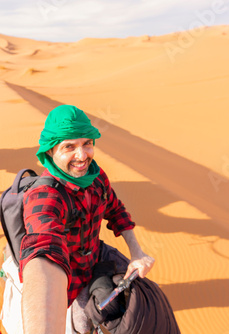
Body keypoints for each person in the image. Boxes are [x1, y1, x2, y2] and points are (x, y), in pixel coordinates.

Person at [20, 105, 156, 333]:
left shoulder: (95, 176)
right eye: (69, 147)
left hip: (96, 255)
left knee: (148, 298)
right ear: (51, 151)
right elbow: (44, 250)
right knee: (81, 327)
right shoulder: (45, 196)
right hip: (68, 276)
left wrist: (137, 253)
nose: (82, 156)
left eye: (87, 144)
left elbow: (116, 210)